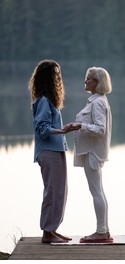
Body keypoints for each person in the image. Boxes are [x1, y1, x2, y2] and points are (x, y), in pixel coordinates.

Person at [28, 60, 77, 244]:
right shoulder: (43, 101)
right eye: (55, 74)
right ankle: (47, 233)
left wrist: (62, 132)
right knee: (52, 192)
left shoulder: (49, 100)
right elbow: (42, 128)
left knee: (60, 192)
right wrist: (62, 130)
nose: (58, 77)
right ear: (47, 77)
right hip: (48, 151)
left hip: (56, 150)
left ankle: (52, 229)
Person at [68, 67, 113, 243]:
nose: (85, 81)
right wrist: (76, 125)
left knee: (96, 192)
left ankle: (101, 232)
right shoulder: (96, 101)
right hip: (92, 152)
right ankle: (104, 230)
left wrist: (80, 126)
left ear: (97, 82)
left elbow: (100, 129)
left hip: (93, 154)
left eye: (88, 79)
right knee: (98, 191)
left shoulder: (98, 103)